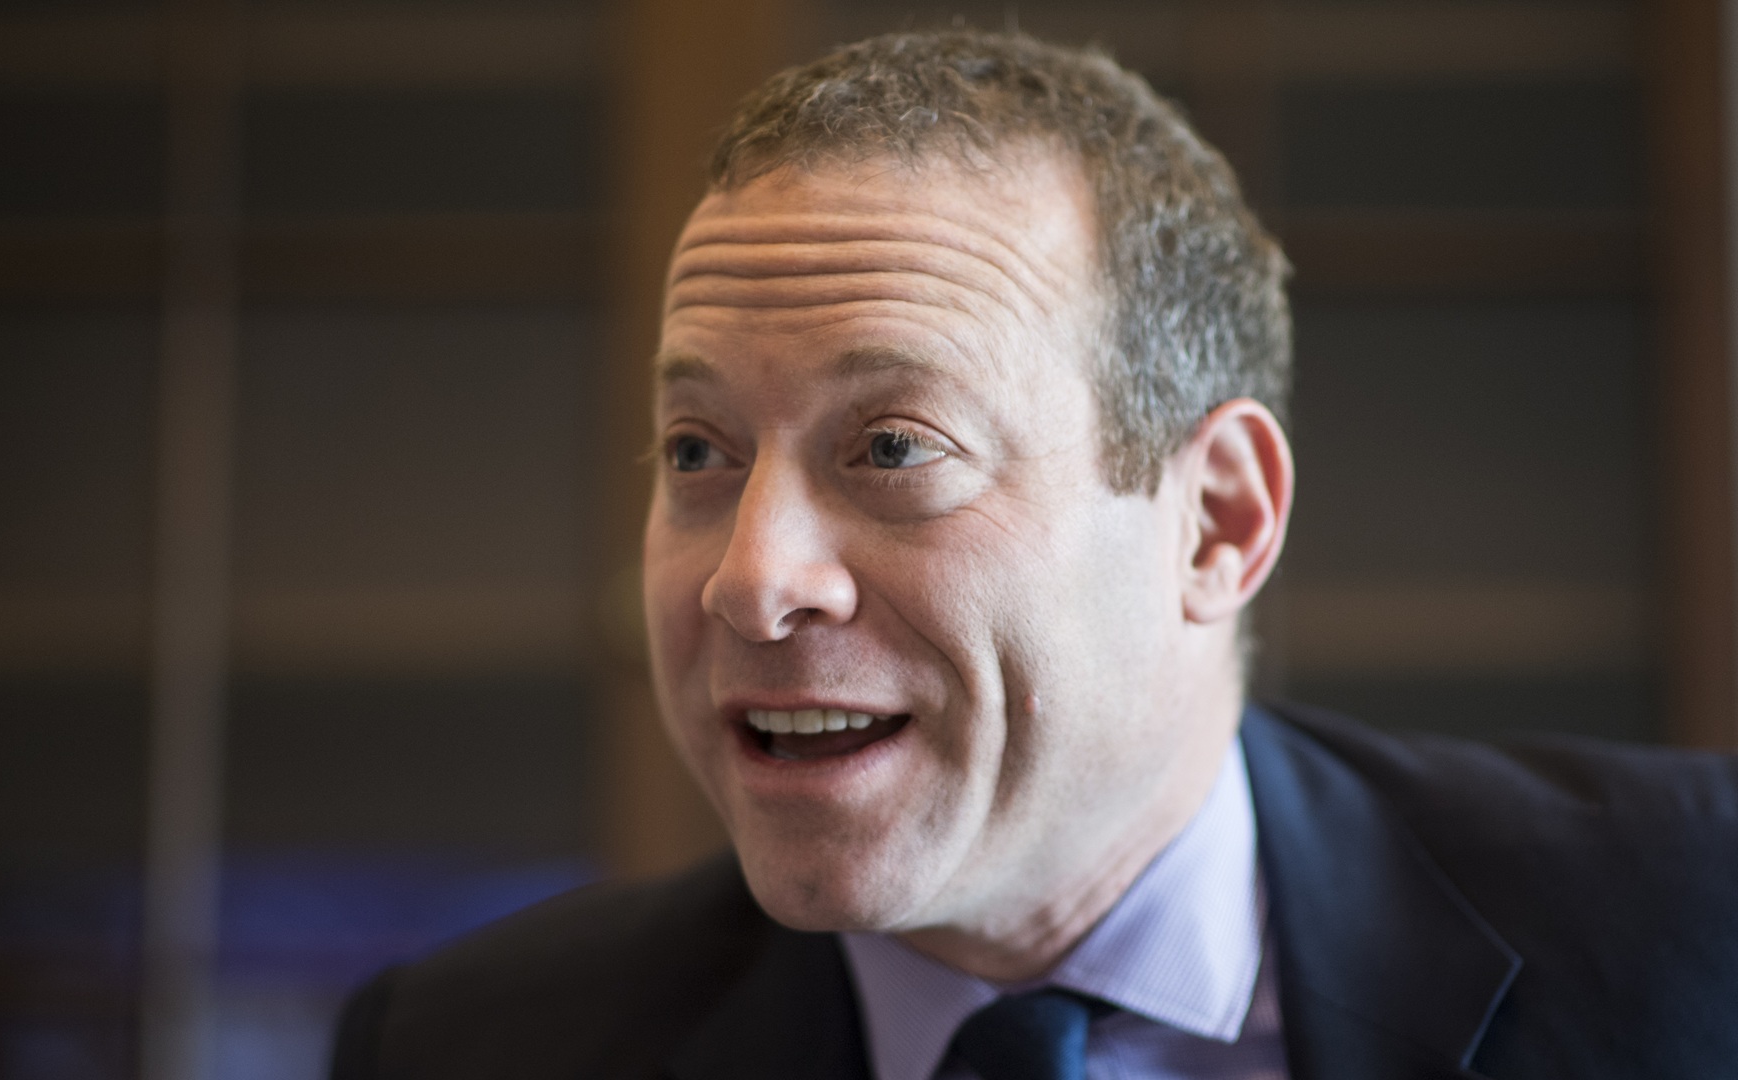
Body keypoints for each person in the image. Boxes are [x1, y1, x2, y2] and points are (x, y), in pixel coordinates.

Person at [330, 29, 1738, 1080]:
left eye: (891, 449)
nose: (750, 581)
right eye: (698, 452)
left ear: (1217, 521)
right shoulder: (466, 1049)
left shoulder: (1694, 926)